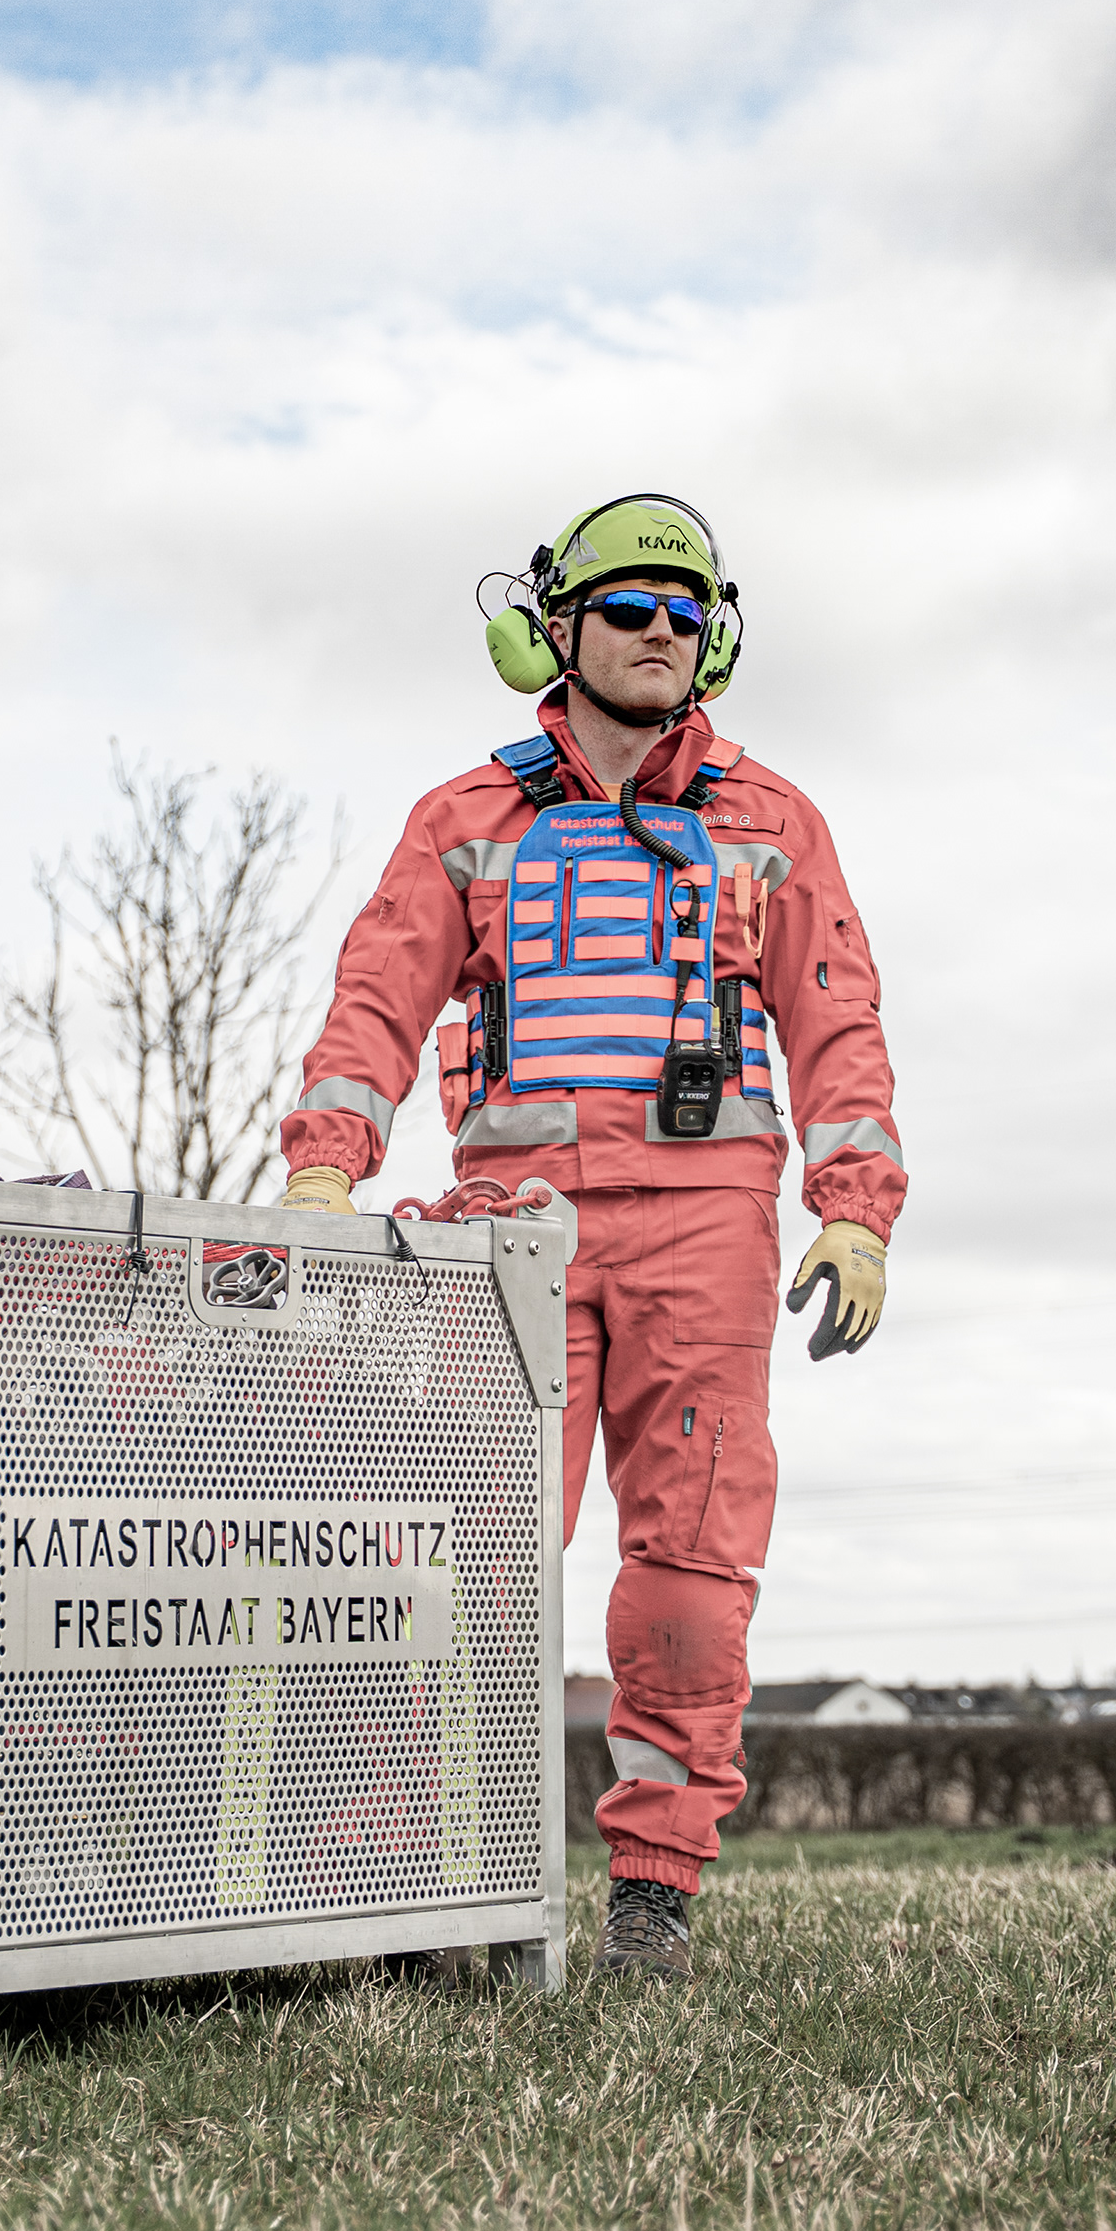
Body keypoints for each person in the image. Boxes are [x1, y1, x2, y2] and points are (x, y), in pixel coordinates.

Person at [273, 494, 904, 1980]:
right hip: (510, 1238)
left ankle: (653, 1892)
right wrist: (324, 1170)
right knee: (467, 1564)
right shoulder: (466, 819)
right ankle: (442, 1900)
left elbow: (837, 1025)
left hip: (707, 1234)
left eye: (689, 617)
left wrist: (856, 1213)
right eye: (630, 610)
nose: (661, 638)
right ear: (554, 630)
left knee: (689, 1569)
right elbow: (377, 1002)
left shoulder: (771, 820)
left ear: (718, 642)